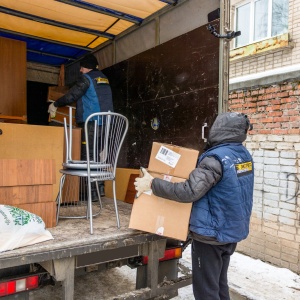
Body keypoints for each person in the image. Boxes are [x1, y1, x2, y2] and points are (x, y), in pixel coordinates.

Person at [134, 112, 254, 300]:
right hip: (230, 232)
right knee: (219, 283)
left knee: (206, 290)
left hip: (210, 236)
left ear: (219, 129)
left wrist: (152, 183)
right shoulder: (242, 155)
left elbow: (189, 191)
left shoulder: (215, 160)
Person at [48, 54, 114, 198]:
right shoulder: (104, 78)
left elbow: (72, 95)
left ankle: (91, 193)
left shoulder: (86, 78)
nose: (80, 70)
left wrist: (55, 104)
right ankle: (100, 189)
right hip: (107, 124)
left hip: (92, 123)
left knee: (88, 156)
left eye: (82, 67)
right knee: (96, 156)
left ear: (87, 68)